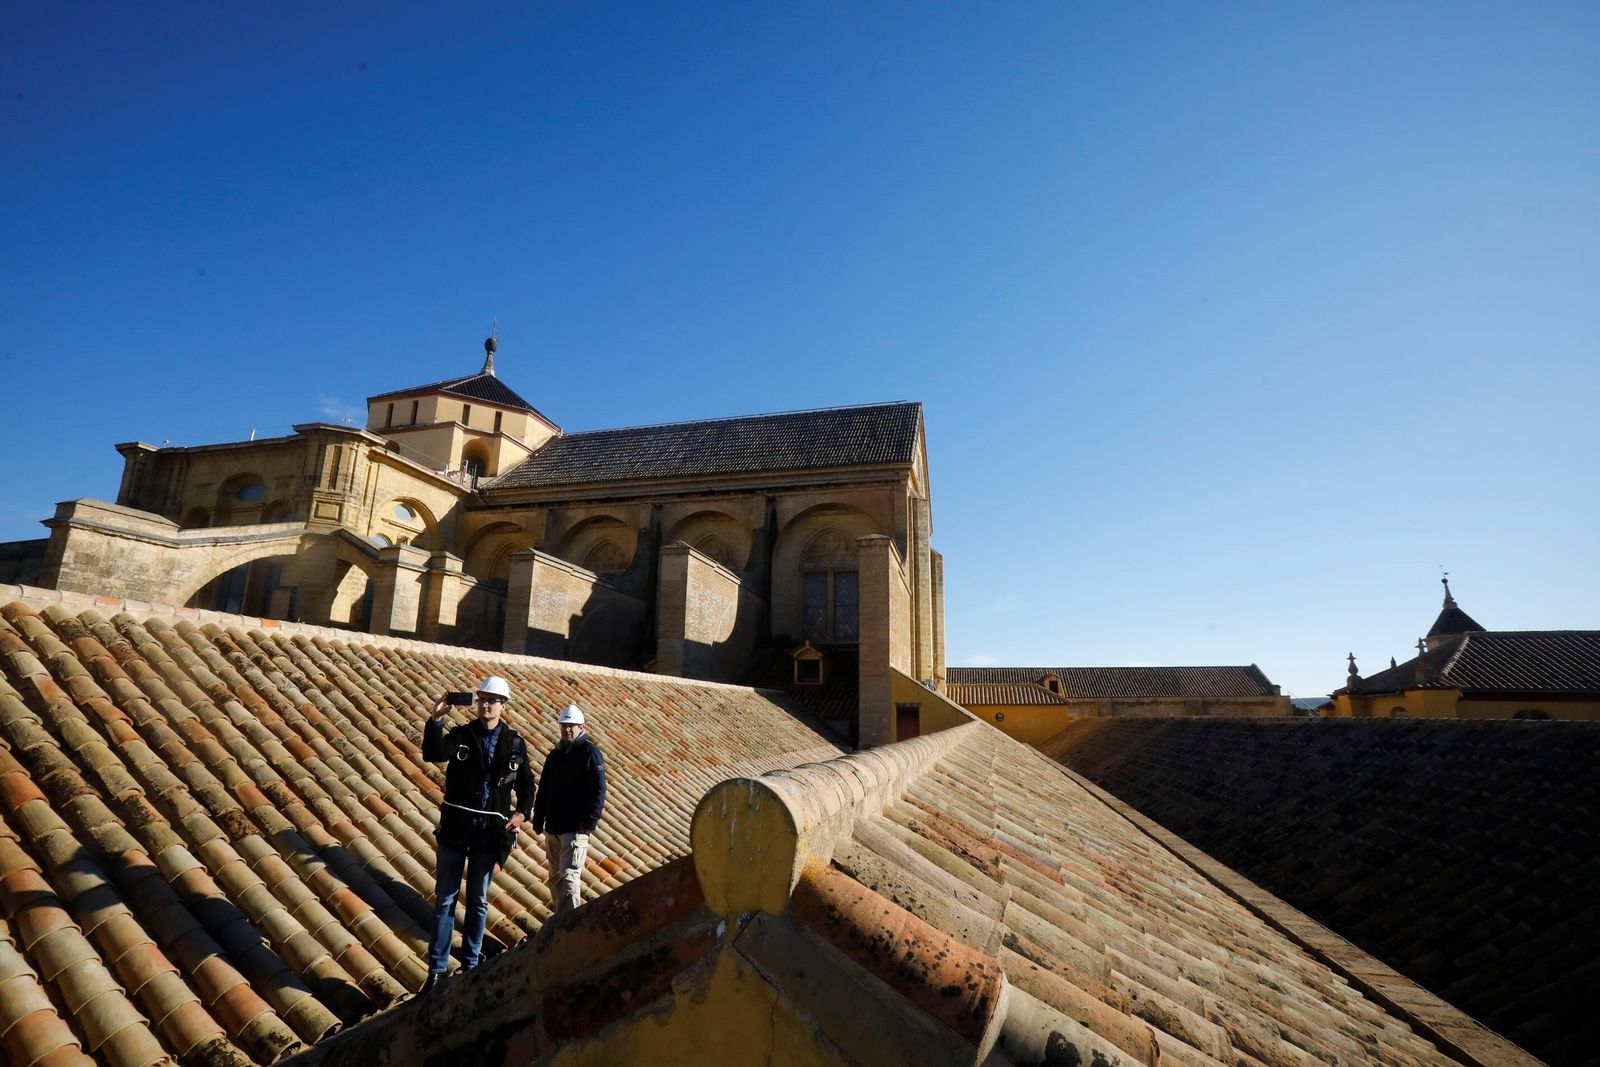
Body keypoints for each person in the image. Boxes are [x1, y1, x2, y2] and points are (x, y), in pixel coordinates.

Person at [419, 675, 535, 993]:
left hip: (489, 835)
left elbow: (526, 784)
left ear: (503, 706)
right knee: (445, 900)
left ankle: (470, 963)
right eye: (482, 699)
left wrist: (522, 814)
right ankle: (438, 970)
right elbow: (433, 753)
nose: (486, 704)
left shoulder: (514, 743)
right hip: (456, 830)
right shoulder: (461, 735)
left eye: (492, 700)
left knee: (478, 901)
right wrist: (435, 719)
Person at [532, 703, 607, 914]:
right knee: (555, 879)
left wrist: (589, 822)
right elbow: (544, 788)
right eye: (564, 725)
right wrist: (539, 819)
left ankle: (570, 923)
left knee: (569, 877)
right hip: (554, 827)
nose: (567, 729)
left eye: (572, 725)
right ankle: (560, 920)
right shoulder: (555, 756)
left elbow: (599, 789)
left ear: (581, 727)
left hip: (575, 829)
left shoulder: (590, 752)